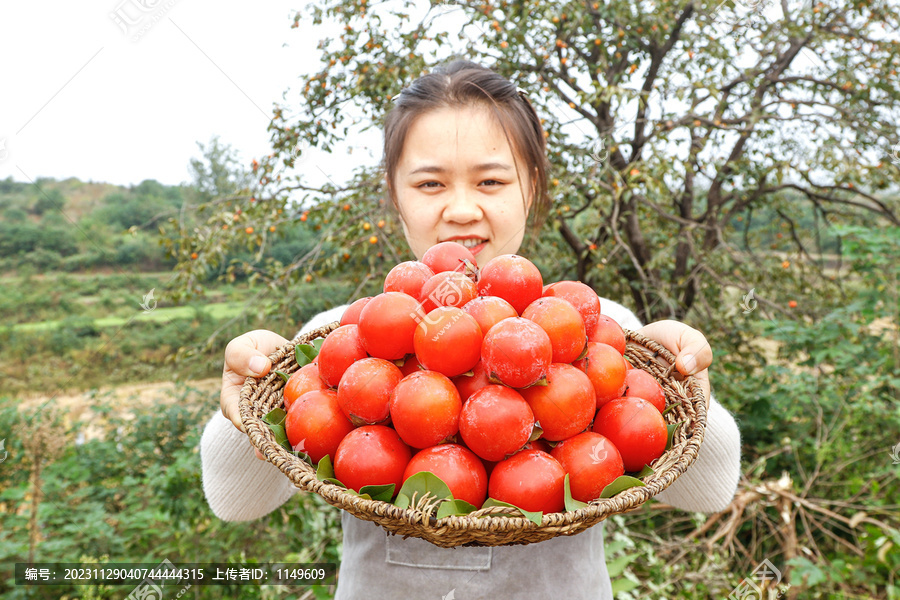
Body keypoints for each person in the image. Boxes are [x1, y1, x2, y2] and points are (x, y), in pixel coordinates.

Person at [201, 59, 742, 600]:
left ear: (531, 185)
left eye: (490, 180)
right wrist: (247, 400)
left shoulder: (597, 328)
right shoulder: (342, 335)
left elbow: (710, 488)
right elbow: (235, 502)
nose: (462, 209)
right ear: (395, 194)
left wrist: (685, 382)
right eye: (431, 182)